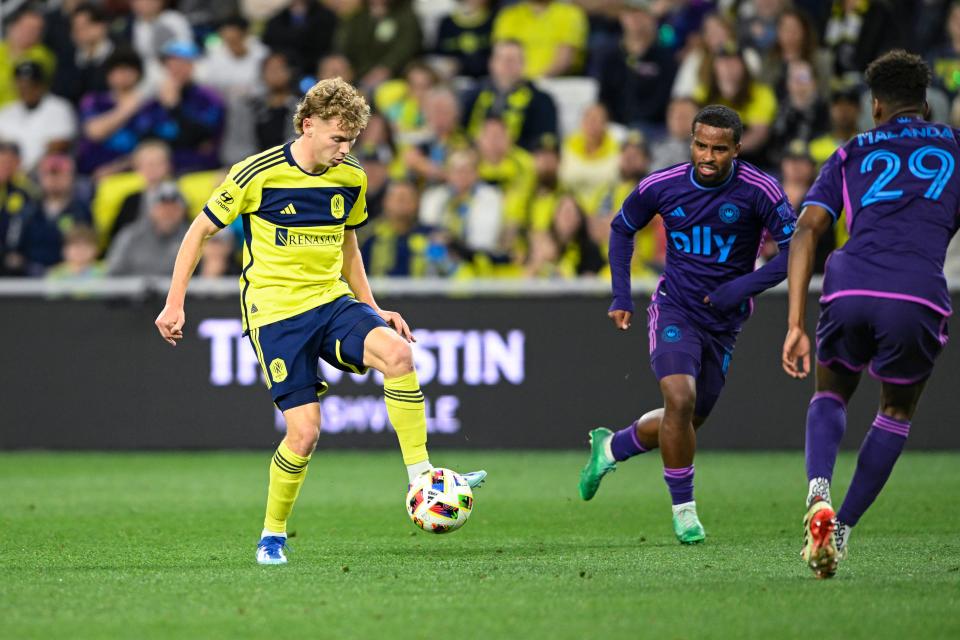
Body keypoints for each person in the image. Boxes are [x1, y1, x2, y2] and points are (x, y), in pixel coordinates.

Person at [153, 78, 486, 566]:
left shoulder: (350, 175)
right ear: (308, 126)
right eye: (336, 137)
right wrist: (174, 301)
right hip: (276, 313)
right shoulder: (256, 174)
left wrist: (372, 308)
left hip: (331, 301)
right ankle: (273, 534)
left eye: (351, 140)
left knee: (397, 352)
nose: (345, 149)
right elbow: (200, 230)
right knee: (304, 433)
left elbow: (348, 244)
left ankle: (421, 474)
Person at [577, 105, 797, 544]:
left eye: (719, 149)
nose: (708, 156)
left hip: (726, 320)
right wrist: (621, 294)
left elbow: (797, 251)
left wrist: (743, 288)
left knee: (688, 419)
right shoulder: (662, 185)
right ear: (691, 143)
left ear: (737, 149)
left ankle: (611, 447)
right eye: (701, 145)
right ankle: (685, 513)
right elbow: (622, 229)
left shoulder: (760, 189)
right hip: (675, 307)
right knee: (679, 399)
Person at [782, 50, 960, 579]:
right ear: (926, 104)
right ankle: (840, 531)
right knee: (895, 412)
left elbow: (807, 229)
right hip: (916, 293)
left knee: (831, 393)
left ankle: (818, 492)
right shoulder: (955, 147)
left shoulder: (851, 150)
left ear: (875, 105)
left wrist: (794, 322)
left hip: (849, 283)